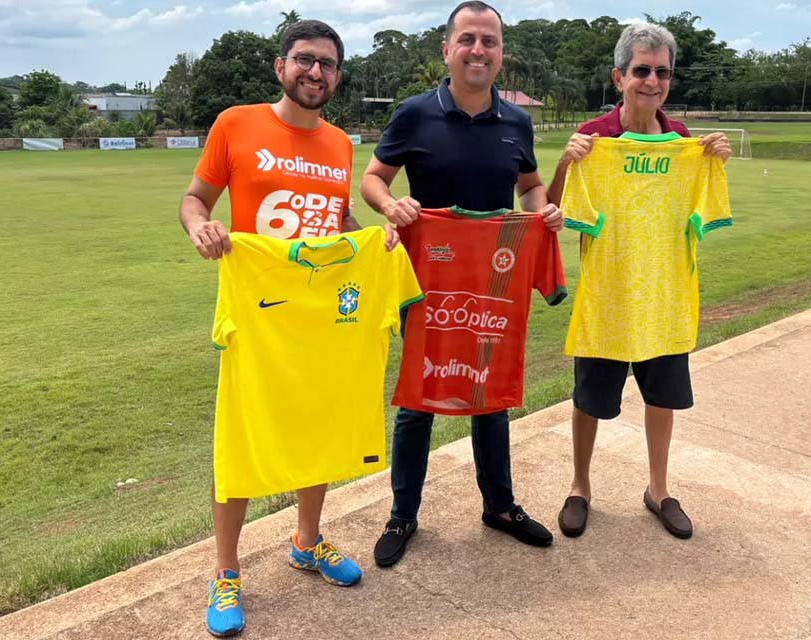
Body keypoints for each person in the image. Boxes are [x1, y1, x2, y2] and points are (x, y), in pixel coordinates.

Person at [178, 20, 397, 637]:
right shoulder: (236, 124)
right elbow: (194, 198)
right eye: (304, 60)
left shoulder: (339, 144)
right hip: (260, 315)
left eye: (327, 64)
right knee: (242, 442)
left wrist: (367, 239)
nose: (315, 72)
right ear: (281, 67)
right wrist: (201, 227)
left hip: (323, 319)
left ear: (337, 76)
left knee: (318, 432)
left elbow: (338, 216)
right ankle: (225, 571)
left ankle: (307, 541)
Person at [360, 0, 564, 568]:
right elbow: (373, 179)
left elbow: (530, 187)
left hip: (492, 285)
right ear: (447, 49)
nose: (479, 50)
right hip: (428, 281)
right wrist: (390, 204)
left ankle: (499, 506)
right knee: (417, 401)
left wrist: (543, 213)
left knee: (489, 397)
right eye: (468, 39)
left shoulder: (517, 122)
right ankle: (403, 514)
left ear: (501, 54)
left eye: (490, 41)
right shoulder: (414, 113)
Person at [547, 22, 732, 540]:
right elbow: (557, 207)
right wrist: (568, 159)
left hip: (666, 297)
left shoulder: (682, 143)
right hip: (607, 298)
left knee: (663, 399)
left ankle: (658, 488)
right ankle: (580, 486)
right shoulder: (595, 137)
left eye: (662, 72)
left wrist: (711, 163)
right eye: (641, 71)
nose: (652, 81)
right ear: (619, 76)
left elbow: (700, 206)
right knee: (590, 401)